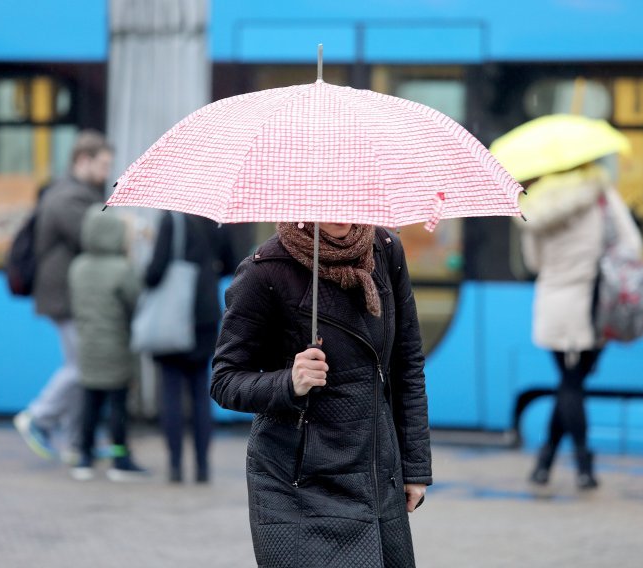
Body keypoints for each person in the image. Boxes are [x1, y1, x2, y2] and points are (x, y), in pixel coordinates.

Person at [211, 222, 431, 567]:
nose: (342, 215)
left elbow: (407, 365)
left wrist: (415, 468)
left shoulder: (385, 249)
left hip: (375, 473)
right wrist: (289, 382)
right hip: (298, 486)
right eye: (330, 206)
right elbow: (224, 380)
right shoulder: (265, 270)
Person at [519, 163, 642, 490]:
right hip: (594, 302)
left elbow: (533, 262)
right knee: (573, 384)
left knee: (568, 382)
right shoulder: (600, 194)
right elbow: (631, 243)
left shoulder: (535, 206)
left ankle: (545, 463)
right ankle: (584, 465)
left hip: (555, 303)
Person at [13, 130, 114, 462]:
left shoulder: (73, 193)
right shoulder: (69, 197)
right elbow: (96, 236)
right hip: (66, 295)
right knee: (82, 366)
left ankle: (75, 441)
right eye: (102, 165)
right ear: (82, 160)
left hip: (69, 294)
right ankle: (37, 417)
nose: (105, 173)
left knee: (81, 366)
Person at [144, 211, 237, 484]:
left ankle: (174, 465)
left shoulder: (171, 219)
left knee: (171, 391)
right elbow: (231, 263)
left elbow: (154, 273)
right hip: (206, 314)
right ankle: (202, 466)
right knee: (200, 391)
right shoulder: (217, 218)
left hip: (174, 316)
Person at [68, 205, 148, 481]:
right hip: (117, 346)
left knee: (89, 403)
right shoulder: (122, 269)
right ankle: (119, 458)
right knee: (117, 406)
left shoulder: (77, 267)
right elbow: (135, 302)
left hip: (88, 346)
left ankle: (85, 457)